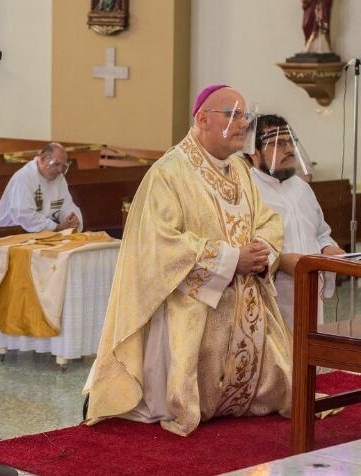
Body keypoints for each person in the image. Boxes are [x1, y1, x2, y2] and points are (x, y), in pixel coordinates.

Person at [83, 85, 291, 436]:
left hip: (244, 298)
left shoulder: (240, 169)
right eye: (233, 115)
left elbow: (267, 219)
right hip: (191, 302)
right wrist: (229, 259)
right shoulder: (170, 171)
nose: (243, 124)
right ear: (202, 119)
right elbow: (160, 242)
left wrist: (260, 250)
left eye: (245, 116)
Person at [249, 114, 343, 327]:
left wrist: (327, 248)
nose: (290, 149)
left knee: (308, 355)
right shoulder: (247, 190)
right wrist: (280, 261)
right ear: (254, 152)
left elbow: (320, 232)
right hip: (270, 301)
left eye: (291, 141)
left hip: (310, 293)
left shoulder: (302, 188)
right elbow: (243, 244)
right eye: (279, 143)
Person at [0, 142, 83, 232]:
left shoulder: (59, 178)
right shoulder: (24, 177)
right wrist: (57, 227)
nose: (60, 170)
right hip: (13, 232)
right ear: (43, 159)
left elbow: (66, 205)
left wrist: (72, 219)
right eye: (56, 164)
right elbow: (24, 214)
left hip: (46, 231)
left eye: (63, 166)